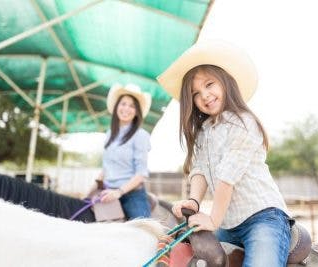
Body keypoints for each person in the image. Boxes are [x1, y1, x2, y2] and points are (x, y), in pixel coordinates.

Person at [157, 40, 292, 267]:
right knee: (185, 252)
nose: (205, 95)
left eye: (210, 84)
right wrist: (194, 201)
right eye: (196, 94)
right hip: (228, 225)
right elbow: (199, 169)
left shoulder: (244, 123)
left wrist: (213, 219)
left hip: (263, 217)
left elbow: (227, 177)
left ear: (226, 82)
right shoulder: (203, 132)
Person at [96, 83, 152, 219]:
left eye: (132, 106)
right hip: (108, 192)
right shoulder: (110, 133)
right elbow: (106, 167)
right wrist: (95, 185)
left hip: (131, 195)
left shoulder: (140, 135)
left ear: (136, 111)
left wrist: (119, 192)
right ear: (116, 107)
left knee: (144, 233)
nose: (126, 108)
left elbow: (141, 174)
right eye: (123, 104)